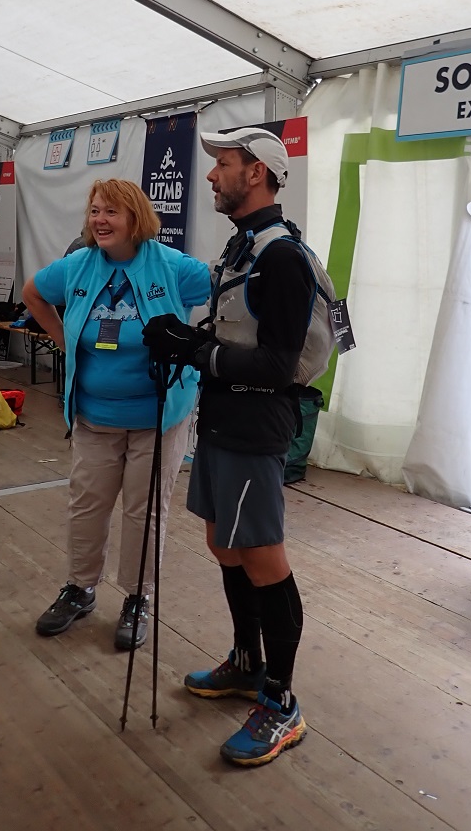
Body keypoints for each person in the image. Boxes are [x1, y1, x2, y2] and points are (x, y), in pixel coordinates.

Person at [142, 126, 316, 768]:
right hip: (222, 419)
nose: (212, 176)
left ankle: (281, 702)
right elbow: (232, 334)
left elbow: (278, 362)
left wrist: (196, 351)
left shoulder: (283, 258)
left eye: (225, 165)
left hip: (254, 424)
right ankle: (247, 662)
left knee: (264, 558)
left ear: (260, 173)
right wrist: (186, 338)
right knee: (223, 543)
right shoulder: (244, 247)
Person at [21, 179, 210, 650]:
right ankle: (81, 588)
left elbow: (226, 292)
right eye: (95, 211)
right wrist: (64, 339)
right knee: (87, 506)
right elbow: (32, 293)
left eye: (112, 213)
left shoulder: (173, 267)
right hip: (94, 415)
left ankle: (137, 598)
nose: (100, 220)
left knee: (144, 511)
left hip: (159, 416)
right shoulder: (77, 266)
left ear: (136, 219)